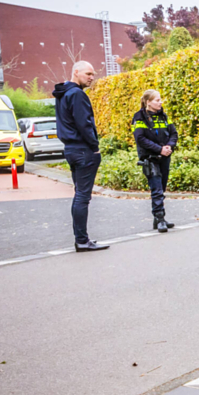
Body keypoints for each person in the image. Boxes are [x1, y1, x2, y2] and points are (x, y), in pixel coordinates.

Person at [53, 61, 108, 252]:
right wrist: (95, 147)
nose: (92, 77)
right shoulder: (77, 94)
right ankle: (82, 241)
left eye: (93, 74)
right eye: (88, 73)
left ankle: (81, 239)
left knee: (79, 195)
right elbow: (84, 124)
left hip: (71, 149)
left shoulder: (63, 94)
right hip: (84, 150)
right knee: (82, 197)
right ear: (76, 72)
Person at [132, 90, 178, 233]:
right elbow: (140, 138)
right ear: (148, 102)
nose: (160, 102)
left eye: (160, 100)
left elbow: (173, 133)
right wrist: (159, 149)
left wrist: (169, 147)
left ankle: (157, 219)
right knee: (156, 189)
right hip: (150, 158)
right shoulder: (139, 117)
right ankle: (160, 218)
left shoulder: (164, 116)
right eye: (157, 100)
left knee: (162, 188)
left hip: (164, 157)